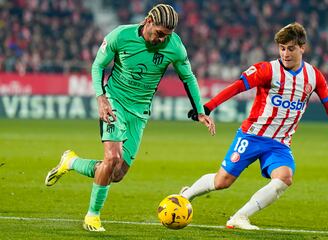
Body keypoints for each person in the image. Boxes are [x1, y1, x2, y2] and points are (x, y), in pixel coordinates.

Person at [45, 4, 215, 232]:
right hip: (114, 101)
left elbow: (188, 77)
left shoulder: (175, 47)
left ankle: (71, 162)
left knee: (116, 174)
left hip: (140, 112)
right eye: (159, 34)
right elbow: (98, 66)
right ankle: (92, 216)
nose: (162, 40)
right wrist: (101, 98)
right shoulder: (120, 35)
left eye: (167, 36)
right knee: (112, 157)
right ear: (148, 21)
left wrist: (200, 110)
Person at [185, 22, 328, 230]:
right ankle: (187, 194)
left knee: (284, 178)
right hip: (252, 136)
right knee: (222, 182)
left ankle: (239, 217)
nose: (285, 54)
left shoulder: (314, 76)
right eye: (282, 48)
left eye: (290, 48)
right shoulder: (267, 70)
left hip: (279, 143)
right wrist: (208, 106)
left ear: (303, 47)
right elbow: (238, 87)